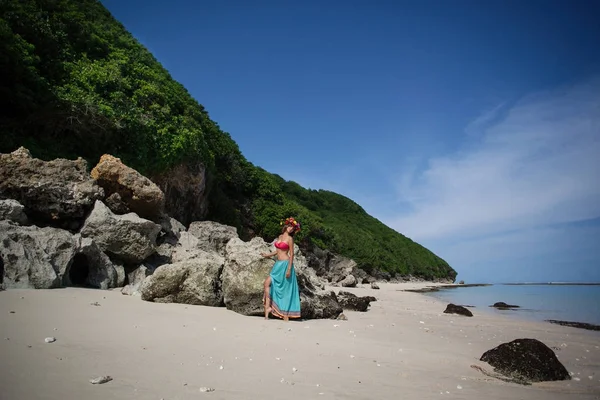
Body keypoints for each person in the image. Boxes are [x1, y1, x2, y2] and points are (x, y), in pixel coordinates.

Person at [260, 217, 302, 321]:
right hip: (277, 265)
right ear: (286, 225)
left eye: (293, 228)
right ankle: (268, 307)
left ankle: (285, 313)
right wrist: (267, 255)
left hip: (286, 265)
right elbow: (277, 250)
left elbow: (292, 254)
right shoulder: (280, 236)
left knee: (285, 291)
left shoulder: (290, 239)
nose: (291, 229)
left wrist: (289, 269)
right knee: (267, 283)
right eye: (290, 226)